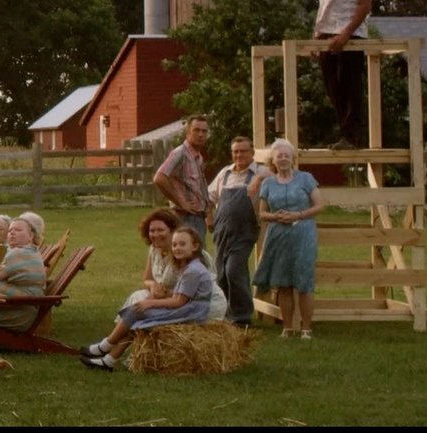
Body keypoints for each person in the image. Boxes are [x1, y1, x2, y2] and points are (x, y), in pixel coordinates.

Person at [80, 227, 213, 372]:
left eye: (182, 244)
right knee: (137, 317)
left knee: (137, 311)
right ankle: (108, 360)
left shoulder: (192, 271)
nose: (177, 248)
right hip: (187, 309)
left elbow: (179, 302)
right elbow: (179, 296)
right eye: (174, 245)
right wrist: (161, 294)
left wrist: (149, 303)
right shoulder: (188, 267)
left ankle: (105, 346)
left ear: (195, 246)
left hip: (190, 313)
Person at [314, 0, 377, 150]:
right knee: (332, 86)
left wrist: (346, 34)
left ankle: (353, 136)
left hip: (351, 33)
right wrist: (316, 37)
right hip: (327, 32)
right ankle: (345, 133)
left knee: (350, 84)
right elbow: (323, 6)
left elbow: (364, 4)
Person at [253, 138, 324, 339]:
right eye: (279, 156)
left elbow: (319, 206)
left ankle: (306, 329)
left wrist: (298, 215)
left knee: (304, 282)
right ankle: (287, 328)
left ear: (292, 158)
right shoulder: (267, 183)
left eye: (286, 155)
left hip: (303, 235)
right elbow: (262, 213)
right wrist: (276, 216)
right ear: (272, 161)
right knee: (283, 284)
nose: (283, 159)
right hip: (278, 236)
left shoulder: (306, 179)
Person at [115, 208, 227, 324]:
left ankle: (115, 339)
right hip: (169, 298)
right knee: (137, 297)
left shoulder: (188, 254)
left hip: (197, 303)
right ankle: (120, 336)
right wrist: (153, 285)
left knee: (144, 307)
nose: (155, 234)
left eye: (160, 230)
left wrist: (162, 295)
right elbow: (147, 279)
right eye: (152, 231)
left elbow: (192, 291)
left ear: (172, 231)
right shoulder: (154, 249)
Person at [208, 136, 267, 327]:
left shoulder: (261, 171)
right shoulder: (225, 173)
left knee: (234, 270)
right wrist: (209, 218)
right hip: (222, 230)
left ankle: (242, 317)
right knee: (221, 274)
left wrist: (259, 178)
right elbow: (209, 198)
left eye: (243, 151)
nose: (239, 155)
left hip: (245, 231)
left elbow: (280, 171)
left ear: (252, 153)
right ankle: (224, 314)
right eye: (235, 151)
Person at [0, 212, 46, 332]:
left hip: (17, 313)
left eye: (18, 230)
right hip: (19, 307)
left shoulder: (19, 254)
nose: (12, 233)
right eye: (10, 230)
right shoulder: (28, 251)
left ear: (31, 235)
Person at [153, 115, 213, 239]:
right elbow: (159, 178)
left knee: (197, 255)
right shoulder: (180, 153)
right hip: (185, 217)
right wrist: (181, 203)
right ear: (187, 133)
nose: (201, 134)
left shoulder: (197, 157)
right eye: (196, 130)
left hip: (198, 217)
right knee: (189, 255)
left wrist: (208, 214)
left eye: (204, 131)